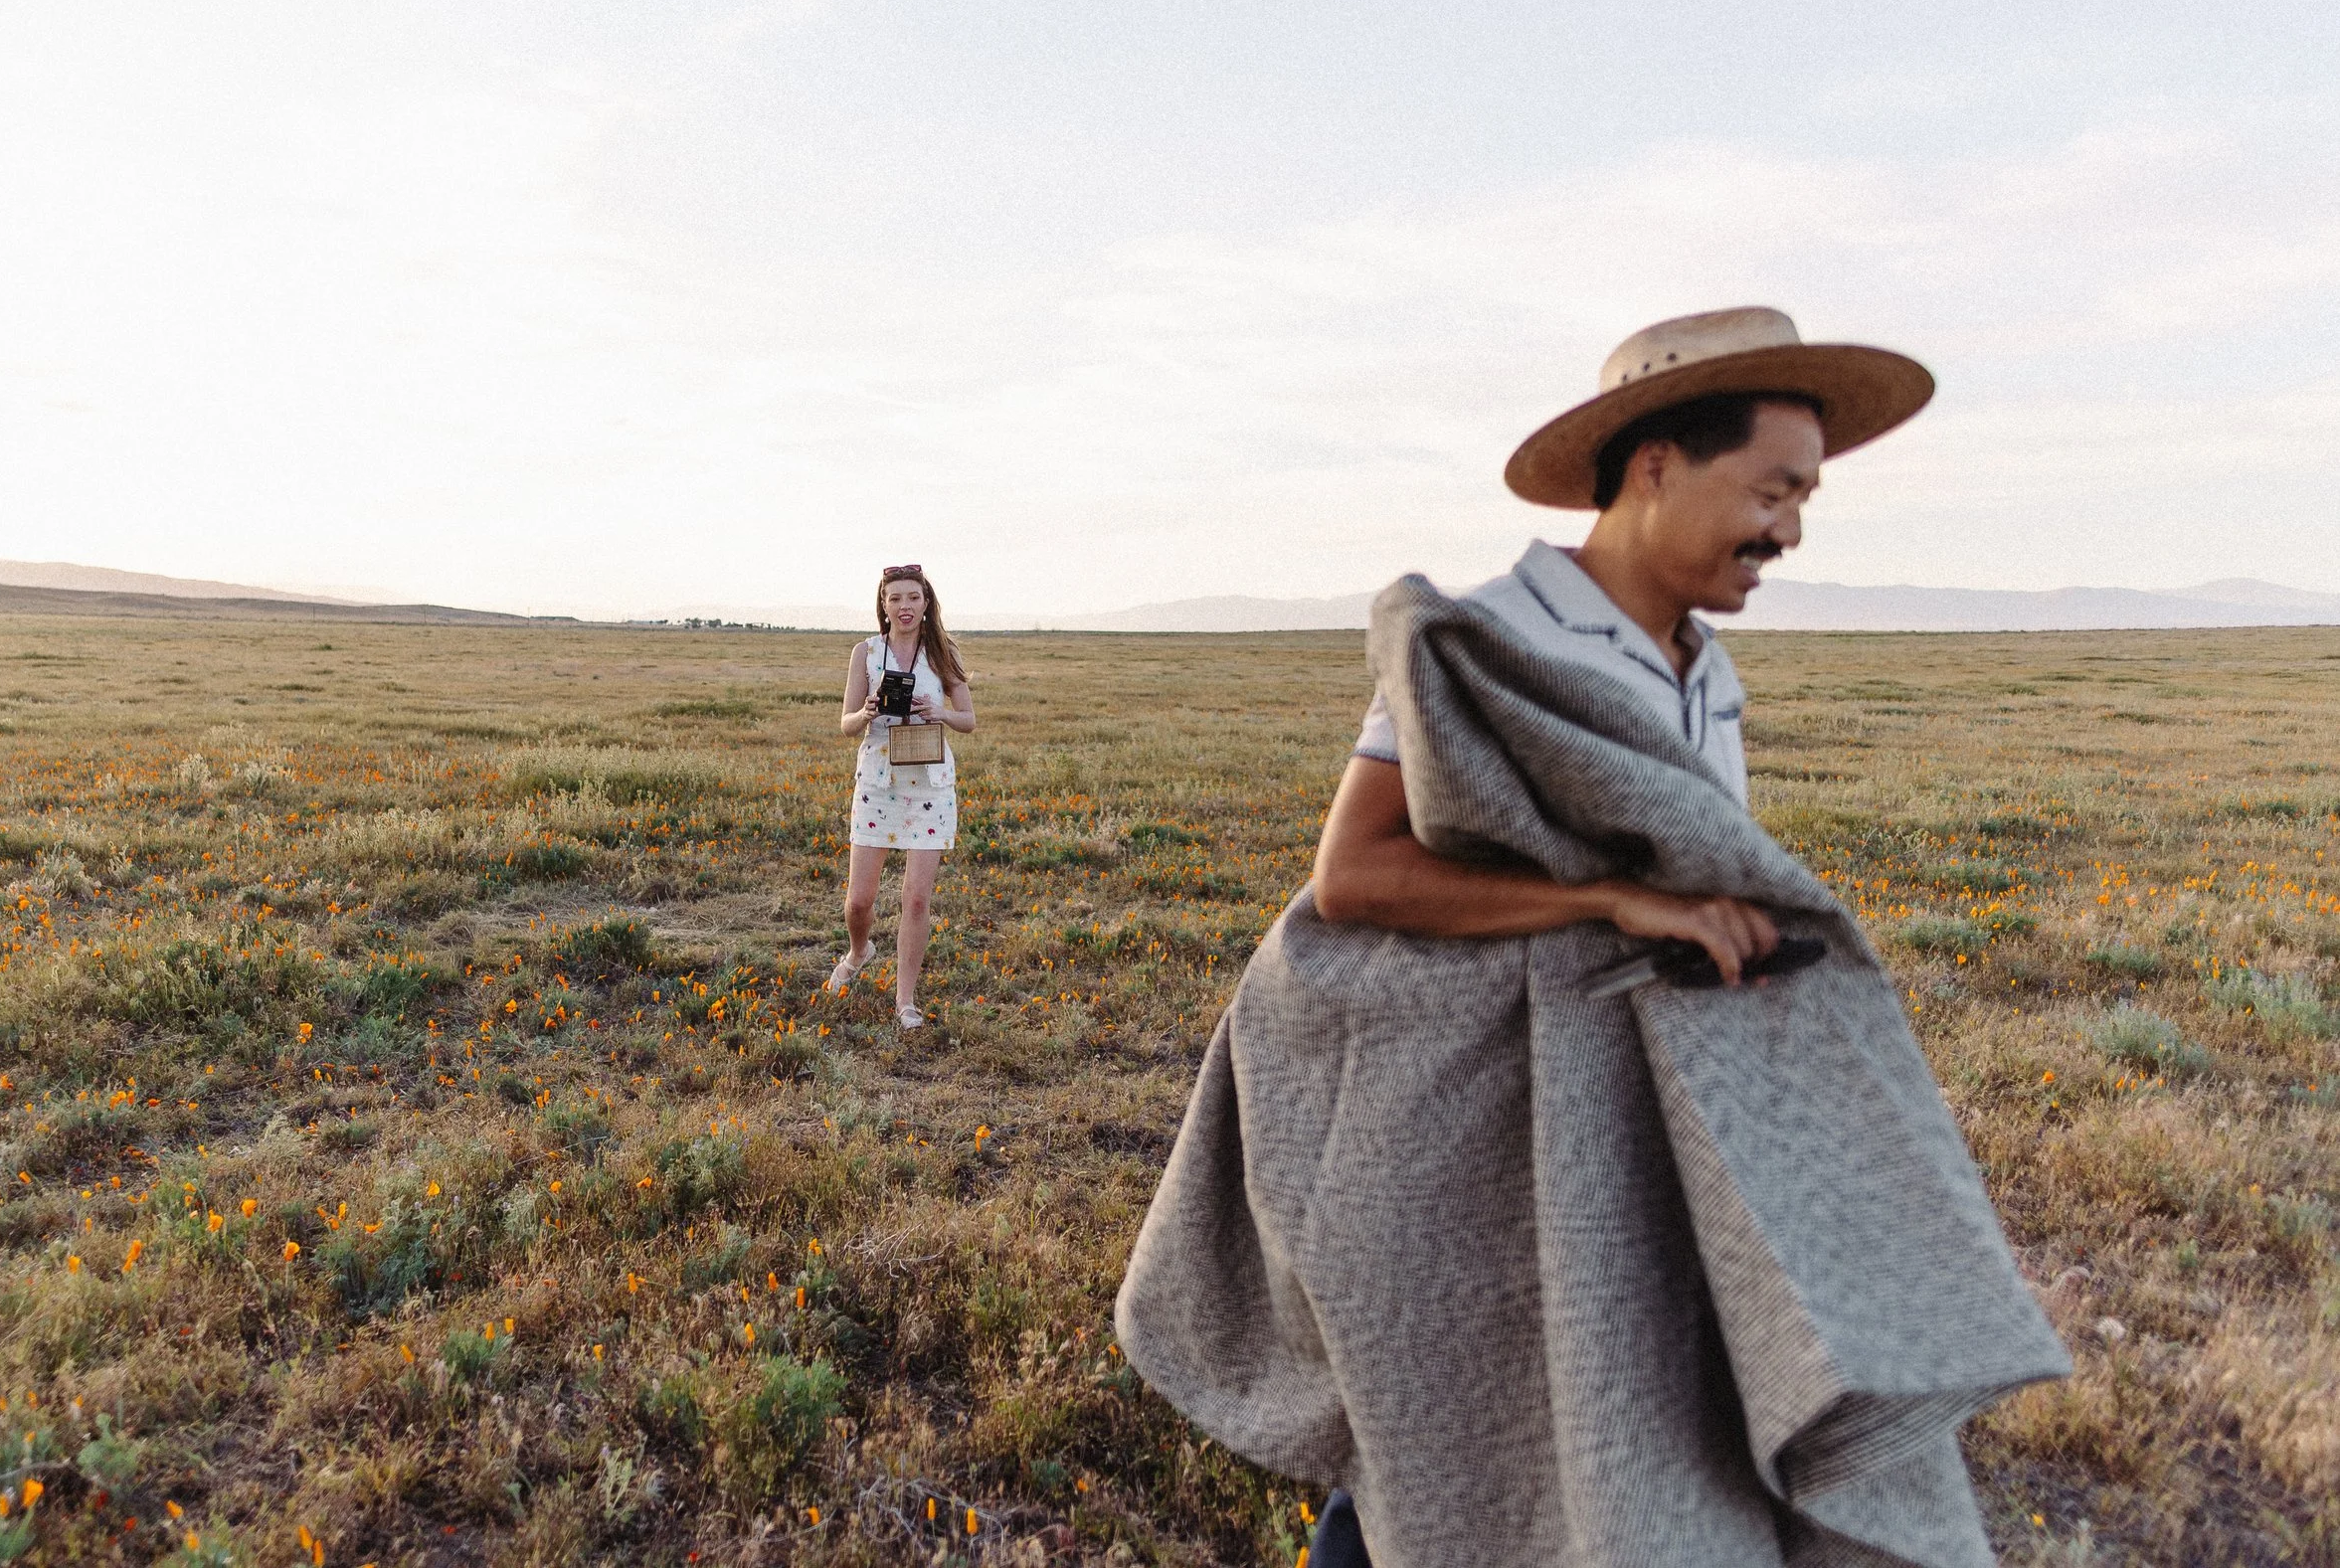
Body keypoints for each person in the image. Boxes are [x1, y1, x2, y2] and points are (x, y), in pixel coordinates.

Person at [1116, 308, 2068, 1568]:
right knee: (1449, 1425)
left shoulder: (1705, 669)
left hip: (1630, 1123)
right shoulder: (1487, 643)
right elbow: (1351, 876)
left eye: (1805, 499)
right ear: (1657, 463)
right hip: (1470, 1123)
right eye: (1772, 490)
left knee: (1638, 1422)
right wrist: (1612, 903)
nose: (1788, 531)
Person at [827, 563, 976, 1029]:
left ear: (926, 604)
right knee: (859, 902)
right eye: (895, 599)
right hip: (877, 784)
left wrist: (940, 712)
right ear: (884, 605)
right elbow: (846, 724)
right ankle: (859, 951)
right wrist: (867, 711)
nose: (904, 606)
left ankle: (905, 1001)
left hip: (930, 788)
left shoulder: (942, 653)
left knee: (915, 900)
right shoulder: (866, 653)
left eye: (913, 597)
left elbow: (968, 718)